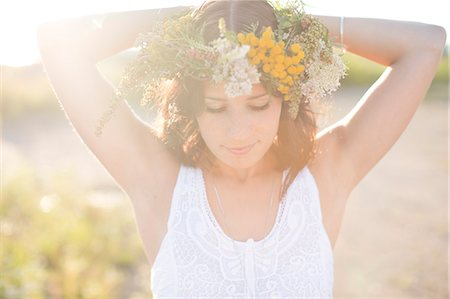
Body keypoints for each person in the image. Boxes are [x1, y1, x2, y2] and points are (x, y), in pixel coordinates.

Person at [36, 0, 446, 297]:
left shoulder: (327, 171)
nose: (237, 131)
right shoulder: (158, 180)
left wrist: (290, 27)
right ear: (191, 107)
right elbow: (57, 43)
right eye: (215, 107)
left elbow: (426, 43)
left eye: (257, 104)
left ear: (286, 99)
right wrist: (188, 20)